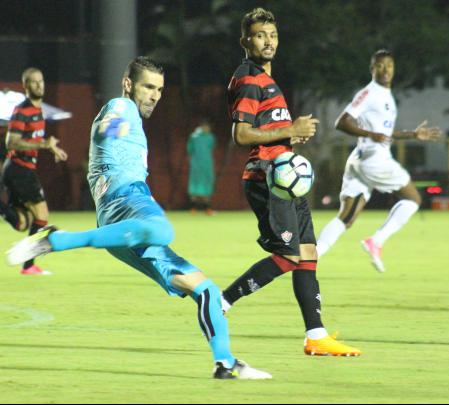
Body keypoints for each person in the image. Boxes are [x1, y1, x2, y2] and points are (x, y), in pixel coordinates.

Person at [6, 56, 272, 380]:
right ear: (129, 84)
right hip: (127, 202)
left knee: (207, 290)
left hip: (120, 228)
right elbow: (109, 127)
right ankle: (55, 240)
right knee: (161, 228)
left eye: (159, 89)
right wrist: (110, 128)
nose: (155, 95)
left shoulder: (132, 117)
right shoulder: (122, 108)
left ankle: (226, 363)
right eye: (148, 86)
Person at [222, 8, 361, 356]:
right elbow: (240, 135)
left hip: (286, 177)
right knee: (287, 256)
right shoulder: (249, 79)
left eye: (272, 35)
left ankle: (316, 336)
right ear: (245, 41)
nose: (268, 41)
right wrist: (290, 130)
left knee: (308, 254)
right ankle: (220, 302)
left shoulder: (267, 80)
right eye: (259, 35)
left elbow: (266, 130)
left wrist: (287, 138)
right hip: (267, 178)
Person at [316, 49, 442, 272]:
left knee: (347, 217)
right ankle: (377, 240)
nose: (385, 71)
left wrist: (412, 135)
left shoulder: (386, 95)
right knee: (413, 198)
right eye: (380, 66)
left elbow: (383, 133)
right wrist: (368, 134)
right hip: (374, 160)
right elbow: (341, 122)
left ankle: (312, 256)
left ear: (394, 69)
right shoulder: (370, 93)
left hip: (360, 160)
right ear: (372, 69)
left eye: (389, 66)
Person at [0, 67, 68, 275]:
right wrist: (44, 145)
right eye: (34, 82)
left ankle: (28, 265)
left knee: (22, 223)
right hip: (19, 170)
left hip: (20, 170)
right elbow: (11, 142)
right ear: (25, 86)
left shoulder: (39, 111)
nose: (39, 85)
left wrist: (52, 147)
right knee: (42, 215)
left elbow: (37, 140)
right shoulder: (22, 111)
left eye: (41, 81)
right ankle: (29, 265)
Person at [187, 120, 216, 215]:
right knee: (194, 186)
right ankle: (193, 208)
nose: (206, 129)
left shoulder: (210, 137)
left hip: (207, 165)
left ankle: (207, 209)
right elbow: (189, 149)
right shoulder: (195, 137)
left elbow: (212, 146)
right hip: (196, 165)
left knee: (207, 185)